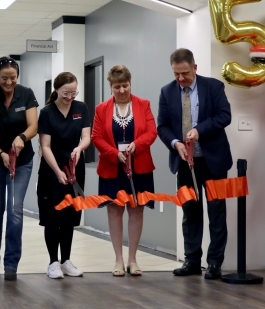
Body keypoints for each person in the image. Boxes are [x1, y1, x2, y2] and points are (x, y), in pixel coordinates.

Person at [157, 48, 232, 280]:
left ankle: (214, 263)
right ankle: (191, 261)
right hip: (184, 164)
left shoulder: (214, 87)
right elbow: (162, 126)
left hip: (214, 161)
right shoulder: (167, 92)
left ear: (195, 67)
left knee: (216, 212)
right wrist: (175, 142)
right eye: (176, 74)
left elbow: (224, 116)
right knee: (190, 213)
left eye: (185, 73)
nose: (181, 79)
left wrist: (200, 130)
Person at [0, 56, 38, 281]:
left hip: (21, 162)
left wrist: (22, 137)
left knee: (15, 212)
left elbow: (34, 126)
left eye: (13, 77)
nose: (9, 82)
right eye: (4, 78)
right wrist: (1, 153)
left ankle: (11, 263)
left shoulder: (26, 94)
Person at [92, 65, 157, 277]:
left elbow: (151, 132)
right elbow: (96, 137)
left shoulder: (143, 105)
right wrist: (113, 153)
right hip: (112, 166)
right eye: (117, 86)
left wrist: (136, 145)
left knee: (137, 209)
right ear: (110, 87)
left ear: (130, 84)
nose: (122, 90)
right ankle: (119, 259)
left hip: (139, 165)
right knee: (114, 210)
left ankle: (133, 259)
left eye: (125, 86)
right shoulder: (101, 109)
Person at [38, 72, 91, 279]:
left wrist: (79, 149)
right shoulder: (47, 112)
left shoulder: (81, 108)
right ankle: (53, 262)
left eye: (73, 93)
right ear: (56, 90)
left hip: (75, 166)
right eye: (65, 93)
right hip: (52, 169)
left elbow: (86, 137)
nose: (70, 97)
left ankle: (66, 260)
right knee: (52, 217)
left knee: (69, 216)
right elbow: (45, 146)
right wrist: (58, 171)